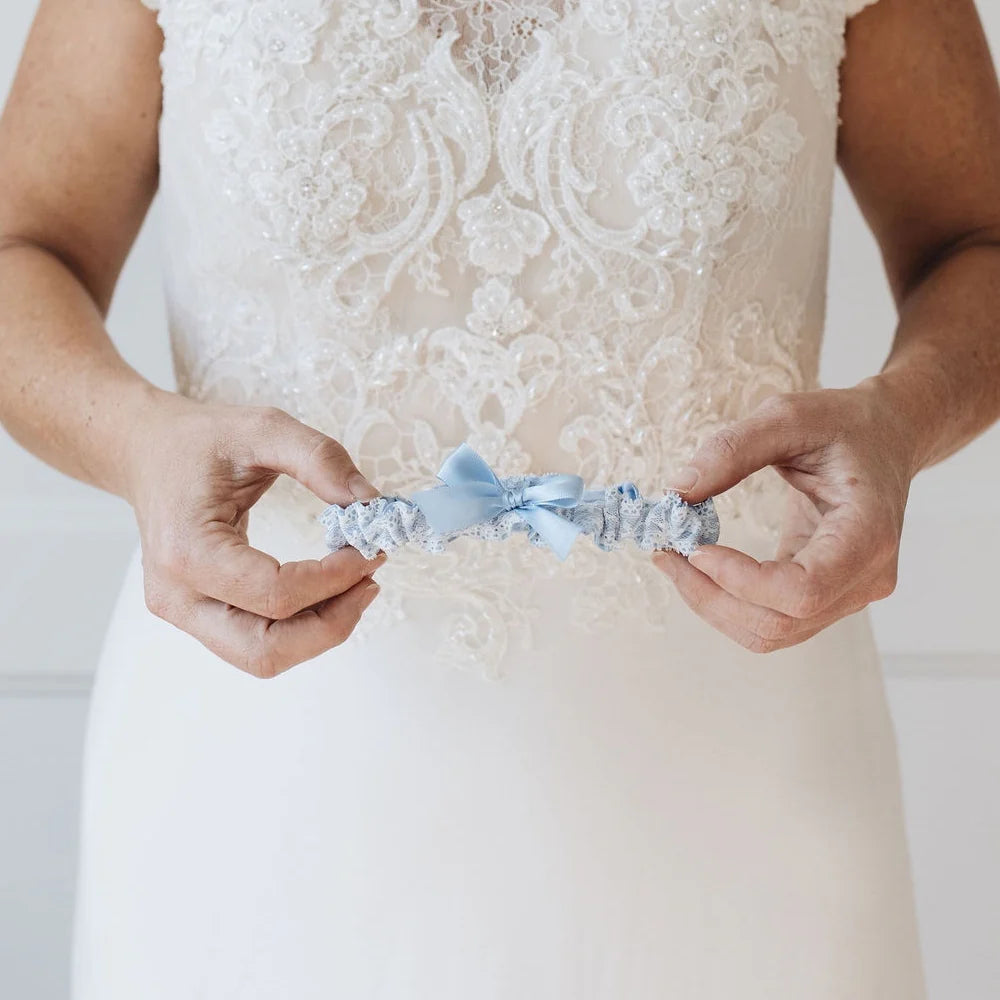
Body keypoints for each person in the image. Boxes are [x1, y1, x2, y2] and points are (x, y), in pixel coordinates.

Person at [1, 0, 999, 995]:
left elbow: (977, 239)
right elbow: (24, 247)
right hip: (260, 783)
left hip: (747, 771)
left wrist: (902, 417)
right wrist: (137, 441)